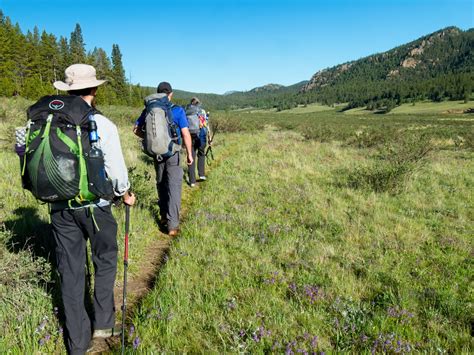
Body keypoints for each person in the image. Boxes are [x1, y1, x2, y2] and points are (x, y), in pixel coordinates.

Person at [50, 64, 136, 354]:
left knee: (71, 273)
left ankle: (76, 343)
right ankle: (103, 323)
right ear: (94, 90)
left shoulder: (48, 120)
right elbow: (116, 169)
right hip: (95, 207)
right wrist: (125, 193)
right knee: (105, 259)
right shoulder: (102, 124)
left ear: (67, 89)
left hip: (59, 209)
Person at [133, 82, 193, 236]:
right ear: (170, 94)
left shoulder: (149, 109)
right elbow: (186, 134)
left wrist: (150, 141)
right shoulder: (177, 110)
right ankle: (172, 225)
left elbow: (136, 129)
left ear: (158, 94)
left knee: (161, 183)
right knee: (174, 185)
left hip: (156, 153)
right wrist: (190, 154)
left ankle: (163, 217)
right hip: (173, 153)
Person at [185, 97, 211, 186]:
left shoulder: (186, 112)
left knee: (191, 156)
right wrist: (209, 138)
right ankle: (202, 174)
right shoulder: (202, 111)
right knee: (201, 154)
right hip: (201, 136)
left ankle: (192, 181)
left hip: (189, 136)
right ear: (198, 103)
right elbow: (206, 125)